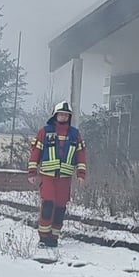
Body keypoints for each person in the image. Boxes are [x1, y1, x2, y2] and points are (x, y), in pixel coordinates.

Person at [27, 101, 87, 247]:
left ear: (69, 117)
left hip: (65, 178)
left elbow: (80, 155)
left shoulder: (75, 134)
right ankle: (43, 238)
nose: (63, 117)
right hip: (48, 176)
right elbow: (36, 153)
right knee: (48, 205)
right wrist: (32, 172)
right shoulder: (44, 132)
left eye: (66, 115)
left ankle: (54, 237)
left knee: (60, 208)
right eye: (61, 114)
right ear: (55, 115)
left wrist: (81, 174)